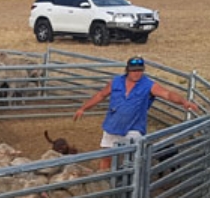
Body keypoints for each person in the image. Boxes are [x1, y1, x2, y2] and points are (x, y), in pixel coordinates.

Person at [72, 56, 201, 170]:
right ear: (127, 70)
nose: (137, 73)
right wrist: (83, 108)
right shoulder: (116, 82)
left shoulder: (148, 85)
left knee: (134, 160)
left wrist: (183, 101)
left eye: (140, 70)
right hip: (113, 125)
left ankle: (133, 187)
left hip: (134, 128)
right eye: (134, 70)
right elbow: (101, 95)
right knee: (106, 157)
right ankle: (104, 185)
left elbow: (167, 94)